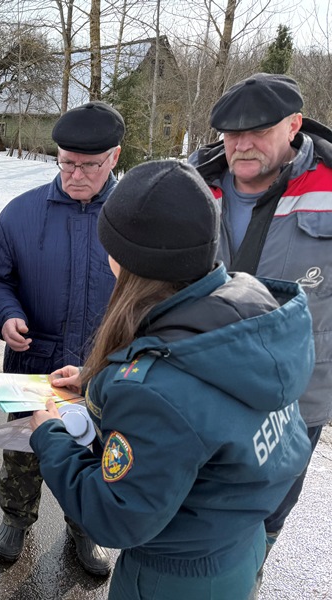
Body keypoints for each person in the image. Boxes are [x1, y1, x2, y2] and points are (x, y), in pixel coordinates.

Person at [30, 160, 314, 600]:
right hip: (238, 545)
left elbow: (115, 517)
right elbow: (209, 396)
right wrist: (97, 378)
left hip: (172, 579)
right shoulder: (250, 311)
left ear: (128, 259)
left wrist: (50, 437)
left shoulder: (153, 392)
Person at [189, 73, 332, 583]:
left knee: (269, 510)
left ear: (294, 125)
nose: (242, 145)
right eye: (232, 133)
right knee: (195, 507)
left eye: (258, 131)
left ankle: (247, 577)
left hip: (298, 397)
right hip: (203, 388)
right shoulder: (192, 185)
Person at [0, 101, 123, 574]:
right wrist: (6, 316)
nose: (74, 175)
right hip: (34, 365)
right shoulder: (23, 213)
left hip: (103, 372)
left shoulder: (132, 219)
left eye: (88, 165)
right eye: (65, 163)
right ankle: (16, 518)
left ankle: (85, 527)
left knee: (95, 454)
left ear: (114, 158)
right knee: (25, 450)